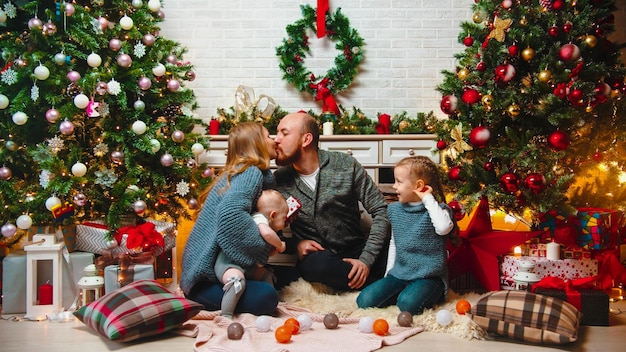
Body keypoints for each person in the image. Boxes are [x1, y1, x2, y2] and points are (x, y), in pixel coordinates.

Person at [273, 112, 391, 291]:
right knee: (316, 267)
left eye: (284, 133)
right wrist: (296, 244)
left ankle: (368, 279)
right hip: (320, 259)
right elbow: (265, 227)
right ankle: (381, 285)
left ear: (306, 139)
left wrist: (366, 260)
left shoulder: (345, 165)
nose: (276, 139)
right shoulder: (278, 180)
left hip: (356, 249)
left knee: (395, 253)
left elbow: (381, 210)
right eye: (277, 133)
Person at [180, 122, 280, 317]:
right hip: (204, 282)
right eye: (269, 136)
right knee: (268, 297)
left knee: (282, 279)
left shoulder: (240, 171)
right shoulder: (250, 172)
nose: (274, 139)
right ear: (256, 144)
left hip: (208, 276)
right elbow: (230, 215)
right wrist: (264, 248)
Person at [356, 156, 456, 315]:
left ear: (419, 185)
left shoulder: (438, 210)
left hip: (429, 277)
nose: (394, 186)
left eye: (399, 182)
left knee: (407, 304)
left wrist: (427, 197)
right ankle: (406, 291)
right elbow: (395, 244)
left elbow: (443, 228)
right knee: (364, 300)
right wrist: (388, 275)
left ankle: (422, 294)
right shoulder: (395, 210)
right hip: (400, 274)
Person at [214, 189, 288, 318]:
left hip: (247, 266)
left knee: (266, 274)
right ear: (273, 215)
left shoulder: (265, 223)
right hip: (229, 263)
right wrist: (280, 244)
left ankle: (274, 303)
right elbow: (267, 234)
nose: (285, 224)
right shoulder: (259, 218)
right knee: (237, 282)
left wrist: (271, 251)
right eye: (284, 219)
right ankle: (225, 314)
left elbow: (259, 255)